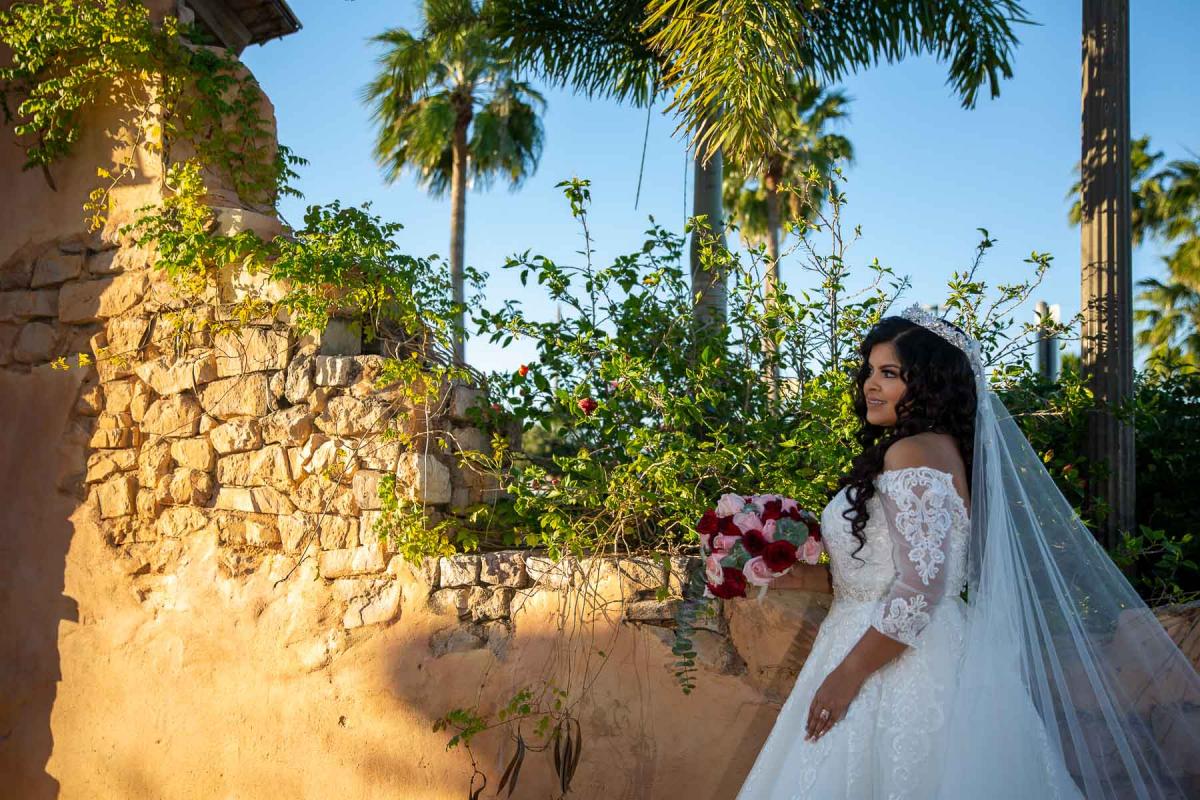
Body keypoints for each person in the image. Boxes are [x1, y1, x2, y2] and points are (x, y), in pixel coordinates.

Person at [735, 305, 1200, 799]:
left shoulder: (911, 452)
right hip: (898, 641)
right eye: (870, 370)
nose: (870, 384)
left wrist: (847, 676)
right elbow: (883, 571)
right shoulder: (937, 448)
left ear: (930, 383)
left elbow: (920, 587)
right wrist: (784, 570)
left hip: (891, 662)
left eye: (889, 373)